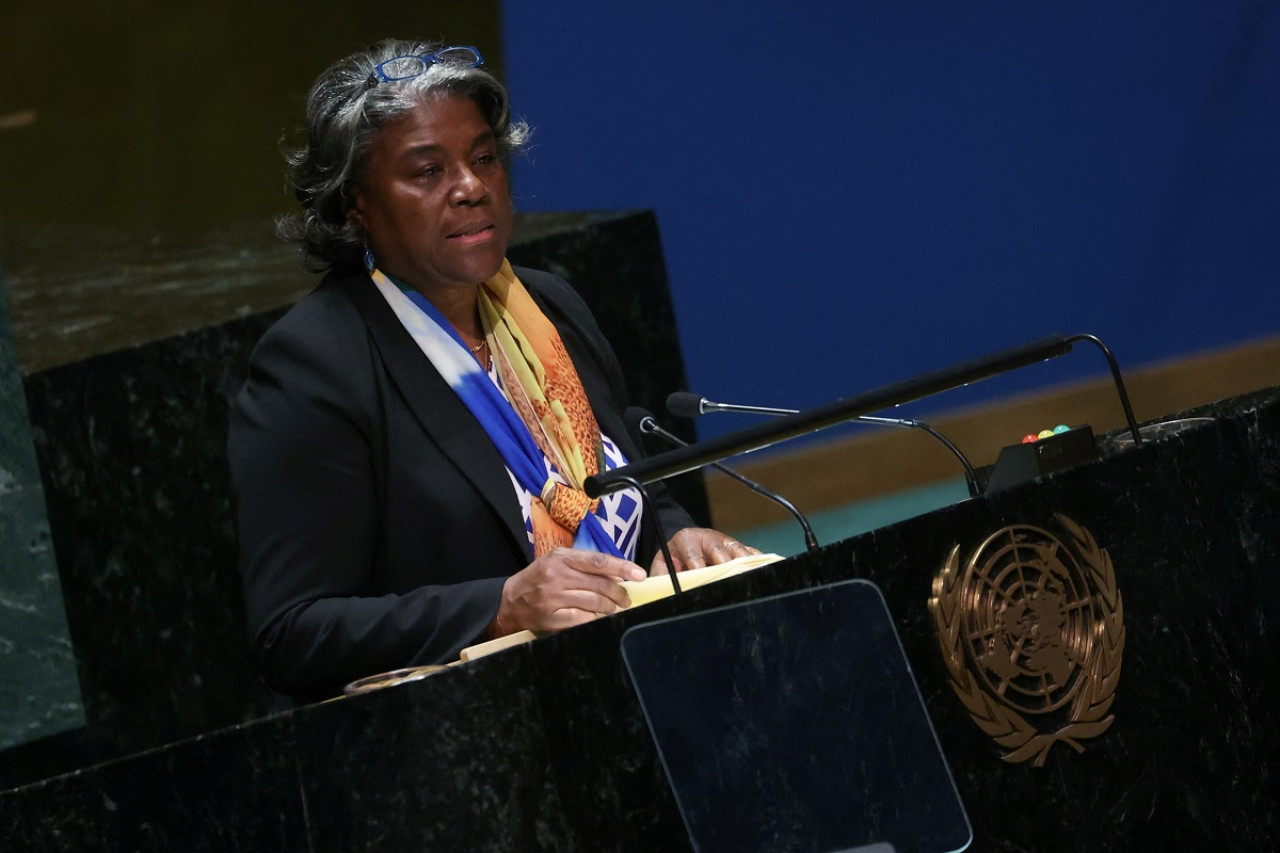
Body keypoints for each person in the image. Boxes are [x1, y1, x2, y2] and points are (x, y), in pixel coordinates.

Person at [228, 39, 758, 700]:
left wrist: (681, 537)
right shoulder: (316, 366)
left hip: (636, 678)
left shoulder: (547, 307)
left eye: (484, 158)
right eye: (427, 171)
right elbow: (294, 632)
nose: (471, 187)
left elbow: (627, 484)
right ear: (354, 204)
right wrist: (501, 604)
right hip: (485, 731)